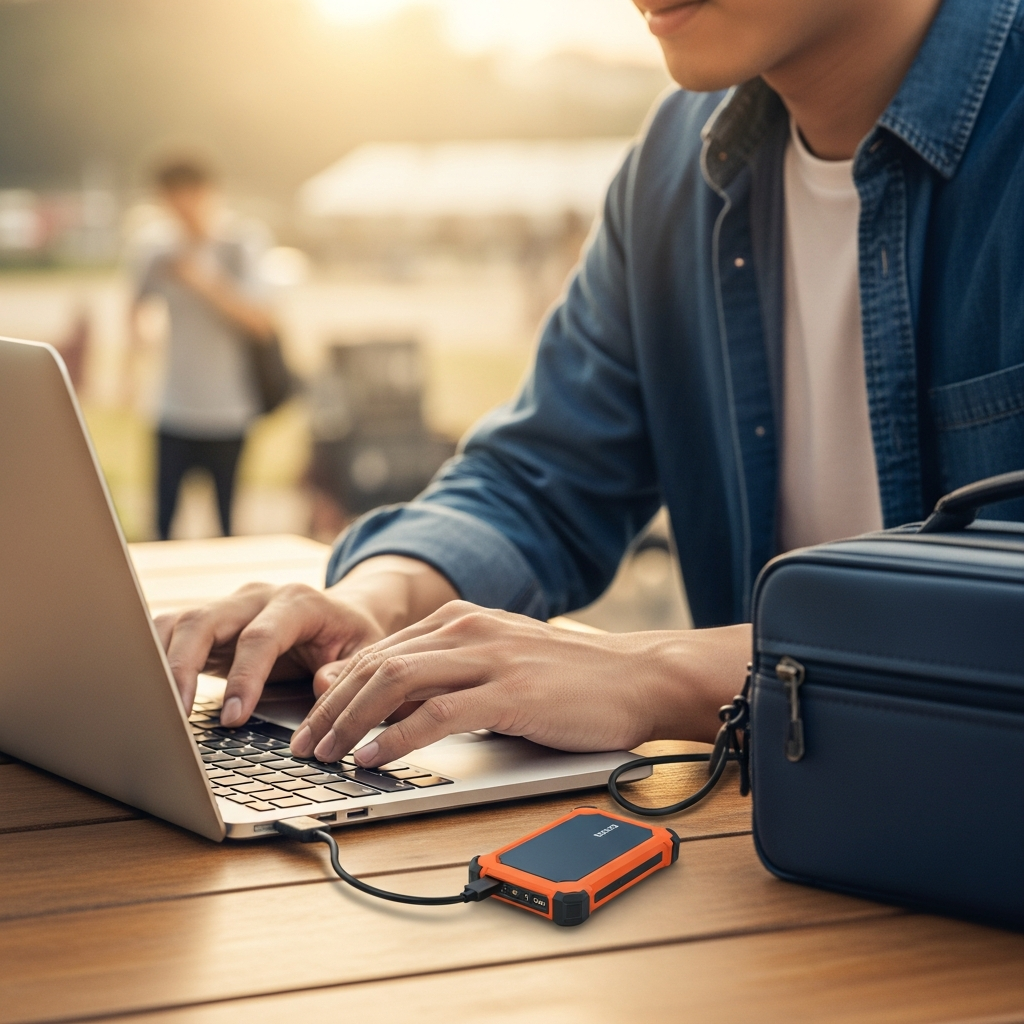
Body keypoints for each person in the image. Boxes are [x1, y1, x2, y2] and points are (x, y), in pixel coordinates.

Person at [157, 0, 1024, 771]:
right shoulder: (677, 162)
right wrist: (374, 602)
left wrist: (655, 675)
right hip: (785, 853)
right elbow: (539, 478)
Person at [129, 158, 275, 539]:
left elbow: (260, 321)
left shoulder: (240, 243)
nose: (183, 209)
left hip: (228, 407)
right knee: (162, 523)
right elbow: (135, 305)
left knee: (226, 523)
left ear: (209, 193)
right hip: (171, 405)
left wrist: (202, 278)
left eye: (190, 196)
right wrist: (132, 362)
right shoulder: (154, 249)